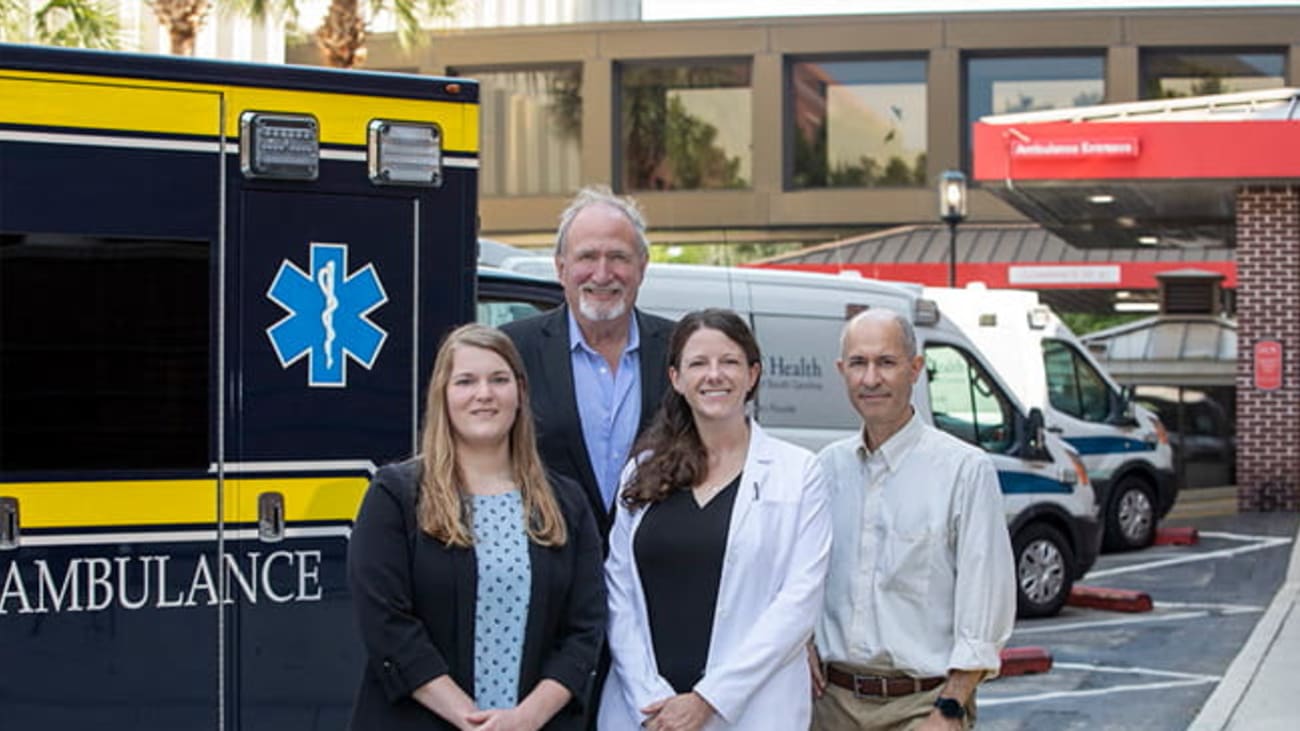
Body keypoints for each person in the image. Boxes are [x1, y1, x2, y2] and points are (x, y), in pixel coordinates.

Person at [347, 324, 605, 731]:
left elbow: (585, 629)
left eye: (499, 380)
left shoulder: (566, 502)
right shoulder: (396, 496)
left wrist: (524, 719)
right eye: (466, 381)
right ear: (443, 395)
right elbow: (387, 625)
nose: (484, 394)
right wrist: (472, 721)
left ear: (519, 392)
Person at [600, 308, 831, 731]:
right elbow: (618, 593)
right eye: (698, 363)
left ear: (753, 374)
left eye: (729, 362)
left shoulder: (798, 472)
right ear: (676, 378)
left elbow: (799, 603)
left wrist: (709, 699)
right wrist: (651, 698)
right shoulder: (642, 471)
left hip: (751, 709)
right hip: (647, 712)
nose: (714, 375)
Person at [809, 309, 1015, 731]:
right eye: (858, 363)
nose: (870, 379)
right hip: (829, 707)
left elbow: (985, 603)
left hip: (922, 708)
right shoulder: (824, 470)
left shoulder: (964, 470)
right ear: (841, 371)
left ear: (915, 368)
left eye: (886, 362)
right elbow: (801, 580)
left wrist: (951, 708)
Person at [501, 185, 675, 539]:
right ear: (561, 268)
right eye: (587, 257)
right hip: (550, 569)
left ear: (642, 267)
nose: (602, 273)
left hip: (650, 575)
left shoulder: (680, 350)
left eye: (618, 257)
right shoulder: (513, 349)